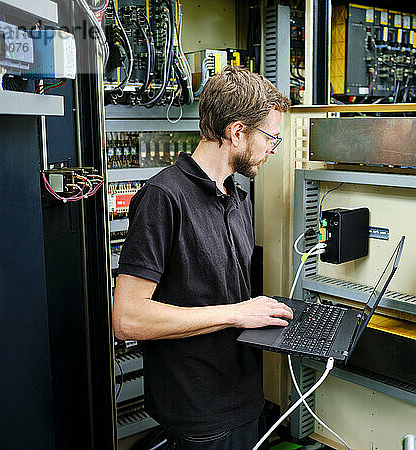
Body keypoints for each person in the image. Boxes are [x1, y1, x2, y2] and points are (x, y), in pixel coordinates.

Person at [112, 66, 292, 449]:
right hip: (198, 410)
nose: (272, 149)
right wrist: (238, 312)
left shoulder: (236, 197)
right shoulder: (164, 197)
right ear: (237, 131)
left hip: (243, 395)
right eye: (270, 137)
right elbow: (128, 318)